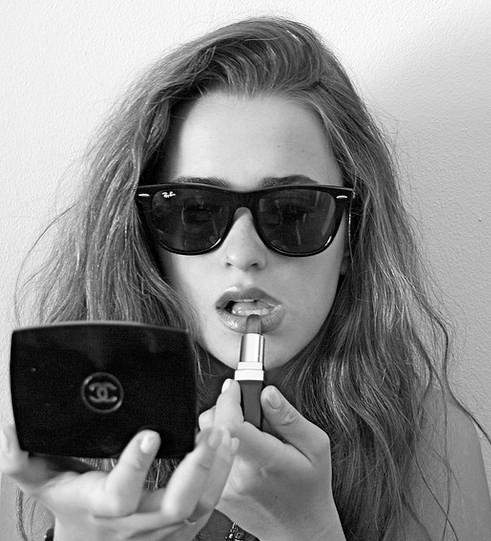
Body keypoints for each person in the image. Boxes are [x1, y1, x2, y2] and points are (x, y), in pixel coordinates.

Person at [1, 15, 490, 541]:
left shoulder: (428, 439)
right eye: (194, 211)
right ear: (144, 238)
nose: (243, 253)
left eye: (293, 211)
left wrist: (307, 532)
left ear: (353, 237)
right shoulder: (61, 427)